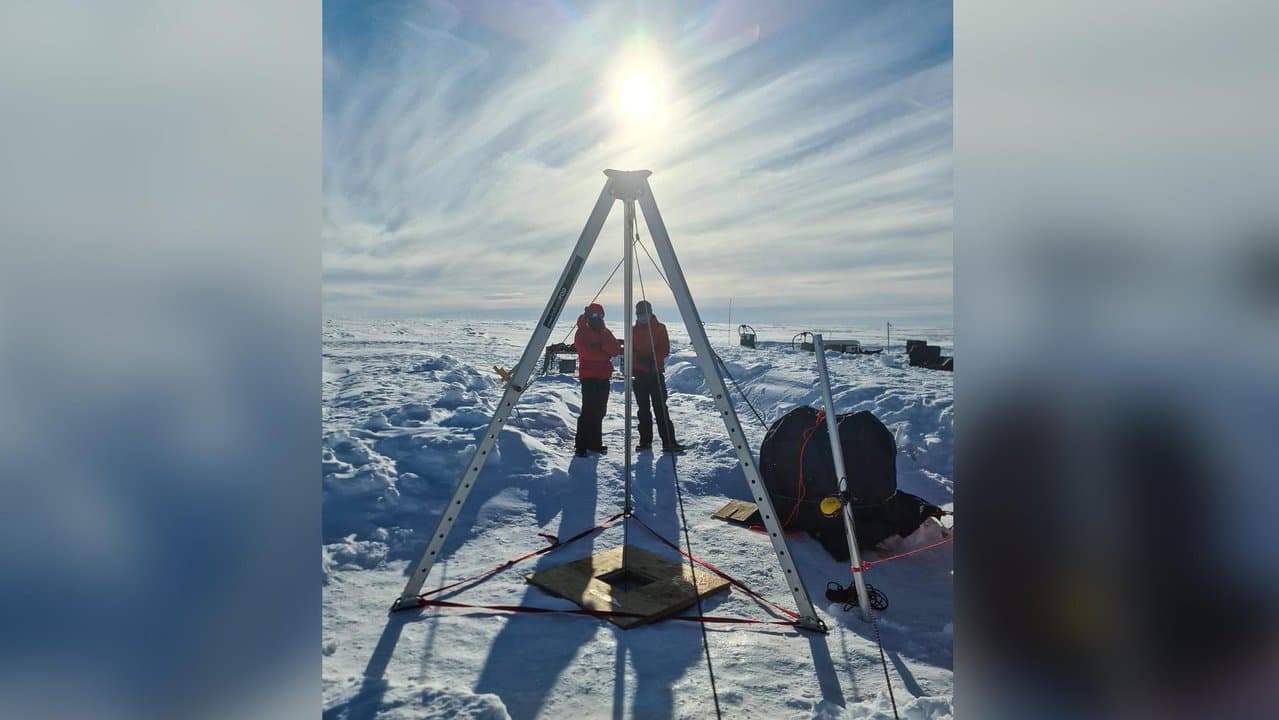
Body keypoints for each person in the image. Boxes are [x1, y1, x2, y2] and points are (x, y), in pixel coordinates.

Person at [630, 300, 685, 452]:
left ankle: (669, 442)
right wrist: (639, 359)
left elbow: (665, 349)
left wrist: (652, 358)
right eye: (640, 315)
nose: (642, 317)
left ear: (651, 313)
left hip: (655, 374)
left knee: (660, 408)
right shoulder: (632, 331)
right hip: (640, 375)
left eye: (645, 314)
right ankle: (645, 442)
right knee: (643, 409)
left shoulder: (660, 328)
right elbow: (629, 352)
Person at [573, 303, 620, 457]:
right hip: (589, 377)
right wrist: (604, 354)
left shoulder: (605, 332)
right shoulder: (582, 332)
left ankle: (595, 443)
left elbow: (615, 350)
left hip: (603, 376)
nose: (597, 318)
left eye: (599, 316)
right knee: (588, 410)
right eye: (594, 315)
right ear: (588, 316)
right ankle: (581, 444)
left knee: (600, 410)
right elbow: (586, 353)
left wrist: (601, 347)